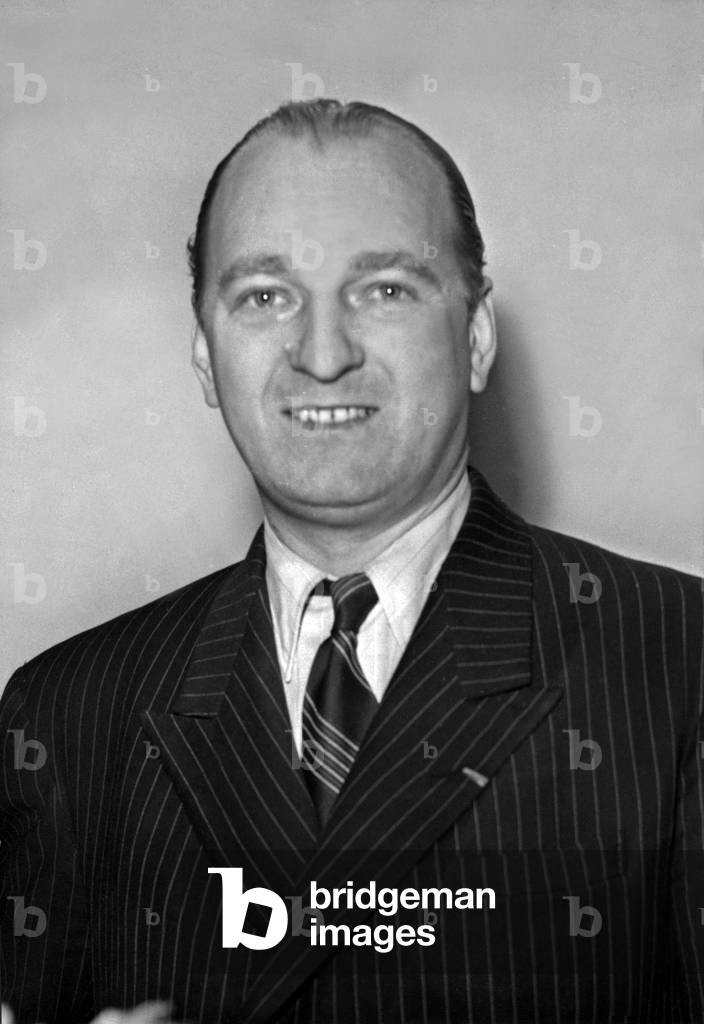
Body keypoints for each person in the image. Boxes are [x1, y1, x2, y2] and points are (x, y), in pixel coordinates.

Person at [1, 98, 702, 1024]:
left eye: (385, 290)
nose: (322, 355)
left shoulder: (680, 666)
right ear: (207, 354)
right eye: (265, 296)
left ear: (476, 335)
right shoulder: (64, 713)